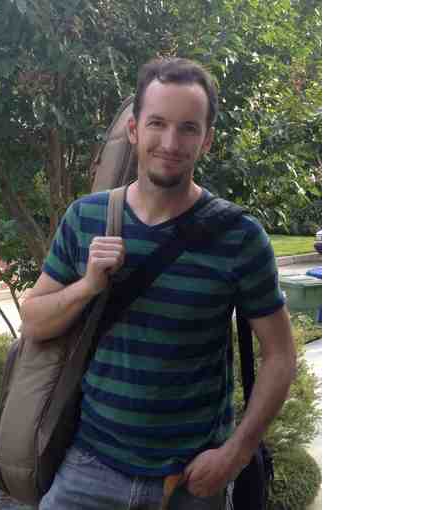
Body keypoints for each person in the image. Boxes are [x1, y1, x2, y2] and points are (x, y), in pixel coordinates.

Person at [20, 57, 297, 510]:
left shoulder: (240, 238)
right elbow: (34, 321)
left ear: (207, 139)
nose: (170, 143)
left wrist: (236, 452)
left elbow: (281, 354)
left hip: (190, 482)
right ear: (134, 129)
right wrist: (87, 286)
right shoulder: (86, 217)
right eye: (157, 123)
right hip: (90, 468)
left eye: (188, 128)